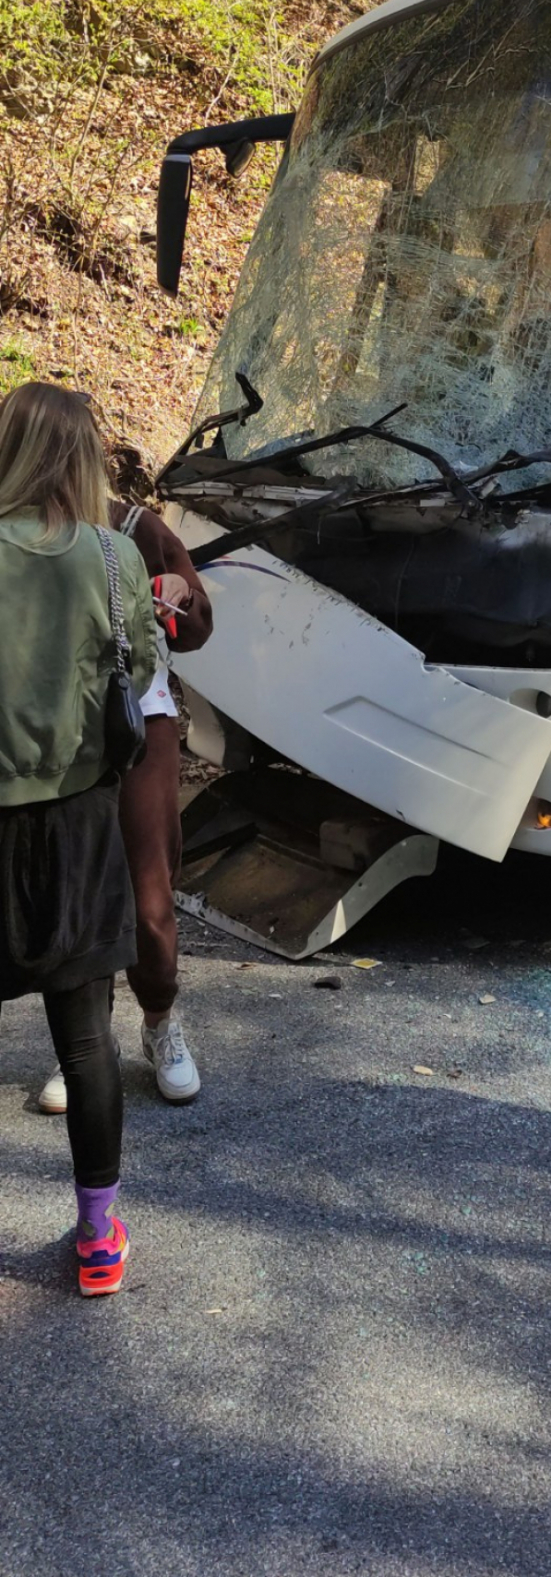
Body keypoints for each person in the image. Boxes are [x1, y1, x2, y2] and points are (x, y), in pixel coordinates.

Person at [0, 383, 156, 1295]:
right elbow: (145, 663)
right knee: (88, 1042)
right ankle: (99, 1240)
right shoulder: (112, 555)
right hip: (78, 820)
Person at [38, 501, 212, 1110]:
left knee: (148, 890)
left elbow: (197, 623)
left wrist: (178, 597)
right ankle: (89, 1044)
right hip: (55, 728)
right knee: (75, 887)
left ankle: (160, 1022)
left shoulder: (134, 526)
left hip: (140, 717)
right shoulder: (21, 526)